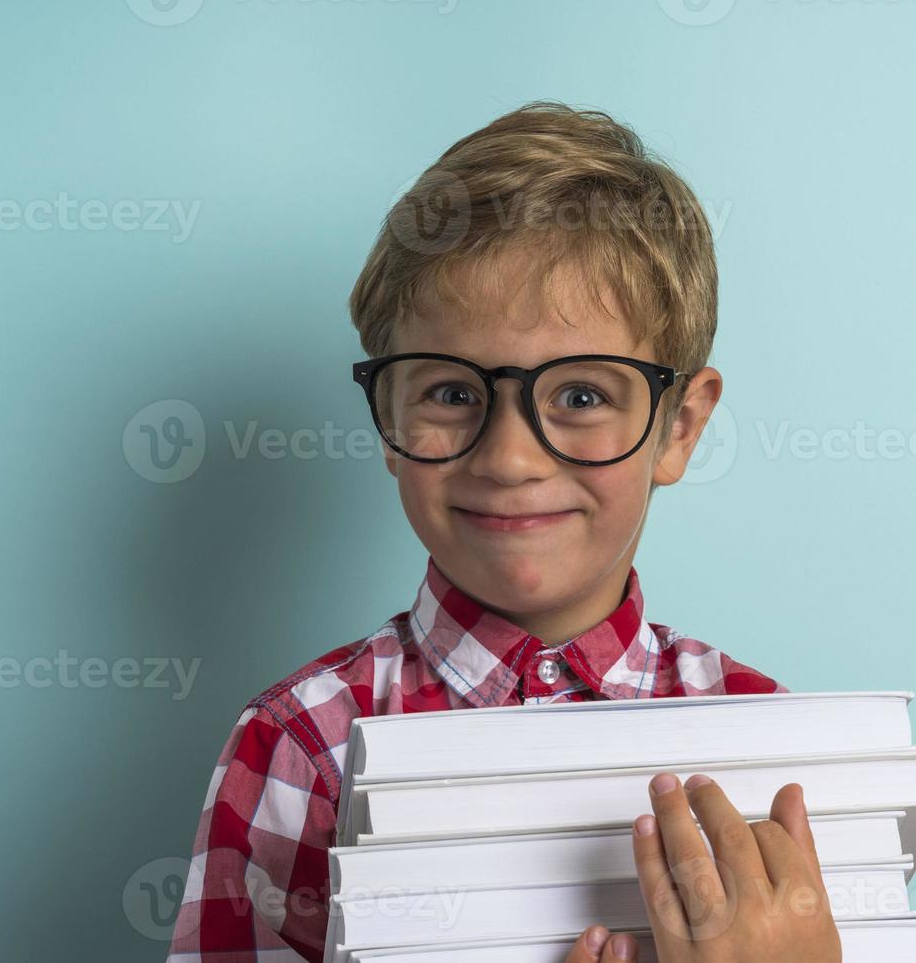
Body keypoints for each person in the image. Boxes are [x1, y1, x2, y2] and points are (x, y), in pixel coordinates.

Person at [167, 102, 840, 963]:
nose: (512, 457)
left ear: (679, 426)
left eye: (583, 396)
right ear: (386, 418)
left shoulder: (777, 751)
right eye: (451, 393)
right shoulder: (300, 746)